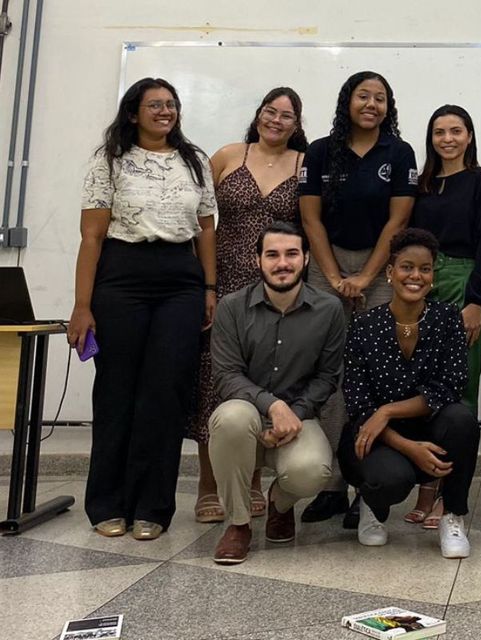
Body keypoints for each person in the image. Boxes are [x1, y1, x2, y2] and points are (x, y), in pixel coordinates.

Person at [68, 77, 217, 540]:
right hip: (122, 275)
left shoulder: (194, 161)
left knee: (166, 392)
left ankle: (153, 507)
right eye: (154, 105)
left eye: (171, 104)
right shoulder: (109, 159)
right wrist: (81, 305)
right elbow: (91, 236)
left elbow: (206, 230)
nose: (165, 112)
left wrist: (209, 286)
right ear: (133, 113)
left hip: (179, 280)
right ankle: (108, 503)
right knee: (117, 389)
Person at [298, 71, 418, 527]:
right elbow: (311, 220)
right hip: (324, 266)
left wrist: (367, 276)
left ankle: (366, 487)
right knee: (328, 371)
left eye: (381, 98)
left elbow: (398, 220)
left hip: (382, 267)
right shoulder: (321, 150)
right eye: (363, 96)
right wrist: (333, 277)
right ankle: (329, 485)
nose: (372, 104)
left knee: (378, 373)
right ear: (347, 100)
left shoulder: (399, 152)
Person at [188, 86, 309, 524]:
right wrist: (209, 288)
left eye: (287, 116)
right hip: (223, 285)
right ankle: (207, 485)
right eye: (270, 112)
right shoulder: (225, 156)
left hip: (276, 291)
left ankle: (251, 482)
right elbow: (202, 225)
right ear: (258, 114)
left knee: (261, 380)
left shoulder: (304, 165)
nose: (276, 121)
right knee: (212, 382)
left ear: (298, 125)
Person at [208, 221, 345, 564]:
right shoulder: (231, 307)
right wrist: (273, 406)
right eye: (272, 254)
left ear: (306, 258)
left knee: (314, 470)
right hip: (247, 419)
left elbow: (328, 377)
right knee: (230, 419)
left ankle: (279, 504)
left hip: (300, 417)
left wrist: (292, 415)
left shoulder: (329, 310)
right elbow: (225, 374)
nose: (282, 263)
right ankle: (239, 524)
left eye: (291, 254)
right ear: (258, 260)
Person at [338, 228, 479, 559]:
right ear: (390, 272)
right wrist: (407, 446)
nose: (416, 276)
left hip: (427, 427)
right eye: (406, 267)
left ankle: (452, 515)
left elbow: (450, 385)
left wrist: (387, 411)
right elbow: (359, 403)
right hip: (375, 437)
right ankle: (372, 507)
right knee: (389, 479)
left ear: (432, 275)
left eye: (425, 268)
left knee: (462, 419)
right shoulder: (364, 326)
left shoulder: (447, 320)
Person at [408, 105, 481, 528]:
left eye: (456, 131)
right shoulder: (422, 183)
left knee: (459, 393)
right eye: (439, 131)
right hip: (421, 284)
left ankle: (450, 494)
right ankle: (427, 484)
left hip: (464, 284)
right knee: (424, 388)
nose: (447, 138)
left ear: (468, 136)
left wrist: (477, 300)